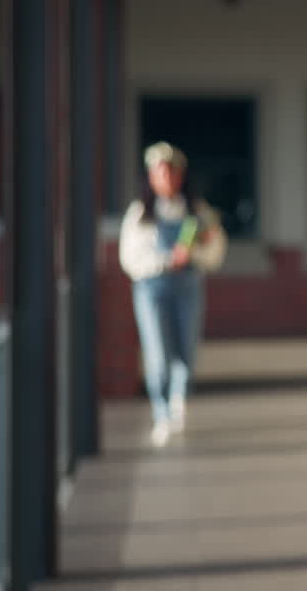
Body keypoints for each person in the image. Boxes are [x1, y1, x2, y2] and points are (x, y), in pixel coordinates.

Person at [119, 142, 227, 447]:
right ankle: (161, 411)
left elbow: (216, 250)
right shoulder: (140, 214)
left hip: (188, 286)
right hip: (153, 288)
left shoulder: (197, 210)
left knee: (186, 349)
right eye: (159, 172)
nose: (166, 178)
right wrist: (167, 259)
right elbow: (130, 258)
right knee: (158, 352)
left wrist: (198, 249)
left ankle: (179, 398)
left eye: (171, 171)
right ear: (151, 177)